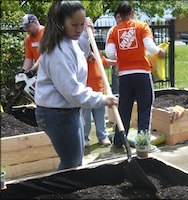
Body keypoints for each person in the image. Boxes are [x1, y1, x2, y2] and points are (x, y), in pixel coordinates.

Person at [34, 0, 118, 171]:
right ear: (60, 23)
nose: (79, 29)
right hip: (57, 114)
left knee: (75, 159)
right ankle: (62, 194)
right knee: (71, 163)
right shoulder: (58, 53)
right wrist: (103, 99)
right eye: (74, 25)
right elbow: (73, 92)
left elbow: (81, 53)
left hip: (67, 111)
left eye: (82, 23)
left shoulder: (69, 41)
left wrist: (87, 34)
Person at [105, 1, 165, 149]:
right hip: (142, 74)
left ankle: (118, 142)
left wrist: (123, 55)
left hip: (124, 76)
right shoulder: (141, 26)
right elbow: (150, 47)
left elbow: (110, 53)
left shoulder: (114, 31)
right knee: (144, 109)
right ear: (132, 12)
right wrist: (160, 51)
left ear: (120, 14)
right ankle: (143, 144)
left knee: (124, 110)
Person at [83, 50, 117, 147]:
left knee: (100, 116)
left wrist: (119, 61)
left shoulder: (98, 58)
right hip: (87, 94)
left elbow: (106, 61)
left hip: (99, 93)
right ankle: (85, 138)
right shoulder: (82, 60)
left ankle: (102, 137)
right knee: (86, 117)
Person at [106, 10, 122, 95]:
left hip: (130, 65)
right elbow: (109, 52)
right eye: (118, 17)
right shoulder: (113, 31)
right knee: (117, 91)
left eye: (121, 17)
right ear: (115, 19)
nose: (120, 19)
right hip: (117, 64)